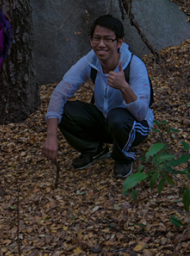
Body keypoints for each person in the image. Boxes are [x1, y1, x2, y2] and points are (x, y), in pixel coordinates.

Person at [41, 14, 153, 179]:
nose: (101, 45)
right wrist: (51, 135)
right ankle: (94, 150)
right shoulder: (90, 61)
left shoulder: (135, 66)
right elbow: (60, 93)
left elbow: (142, 113)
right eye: (97, 39)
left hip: (134, 127)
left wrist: (124, 87)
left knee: (117, 116)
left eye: (108, 39)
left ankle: (123, 157)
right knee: (64, 109)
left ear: (119, 42)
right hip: (105, 120)